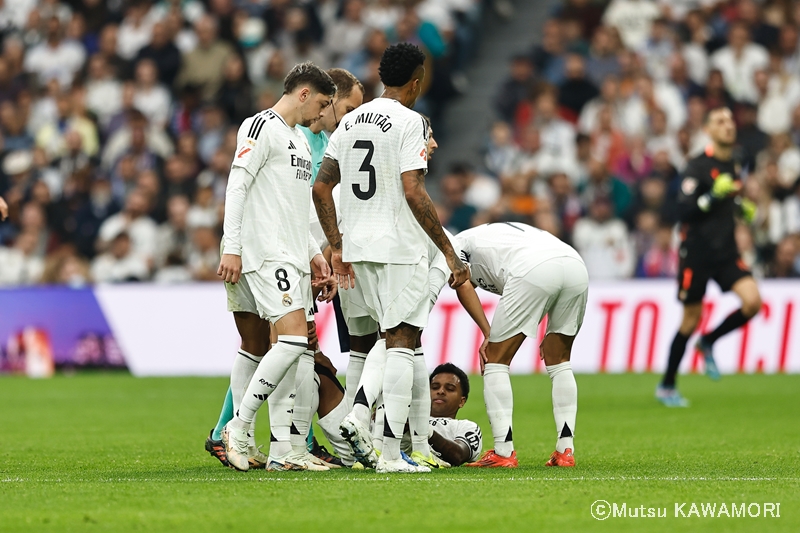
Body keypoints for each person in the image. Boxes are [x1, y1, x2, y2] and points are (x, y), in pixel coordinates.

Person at [313, 43, 469, 473]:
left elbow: (322, 188)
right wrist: (448, 251)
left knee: (376, 345)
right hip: (397, 248)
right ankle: (384, 450)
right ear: (417, 81)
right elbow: (414, 190)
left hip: (356, 250)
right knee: (401, 341)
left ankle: (377, 434)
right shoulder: (411, 121)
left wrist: (337, 245)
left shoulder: (347, 125)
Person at [217, 62, 337, 472]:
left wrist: (314, 253)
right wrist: (232, 247)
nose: (321, 114)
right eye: (320, 103)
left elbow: (293, 207)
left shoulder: (300, 142)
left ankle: (282, 450)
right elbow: (237, 185)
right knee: (290, 343)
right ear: (303, 94)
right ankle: (239, 425)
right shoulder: (260, 126)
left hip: (288, 252)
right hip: (262, 253)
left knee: (257, 349)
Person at [453, 222, 588, 468]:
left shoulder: (453, 244)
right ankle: (565, 451)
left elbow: (462, 284)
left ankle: (503, 453)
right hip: (574, 263)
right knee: (559, 360)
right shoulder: (484, 237)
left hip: (533, 267)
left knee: (495, 360)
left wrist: (488, 333)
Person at [656, 107, 762, 407]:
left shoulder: (739, 159)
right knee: (690, 319)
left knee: (753, 302)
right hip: (697, 251)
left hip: (726, 250)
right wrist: (712, 195)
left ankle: (710, 341)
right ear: (708, 130)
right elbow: (683, 211)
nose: (728, 125)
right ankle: (667, 385)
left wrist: (740, 207)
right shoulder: (696, 166)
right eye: (720, 121)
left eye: (730, 120)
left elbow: (732, 195)